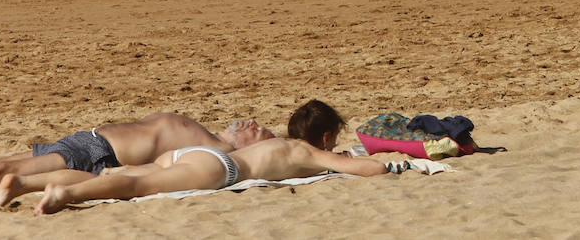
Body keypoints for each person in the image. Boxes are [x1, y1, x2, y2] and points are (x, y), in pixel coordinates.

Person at [30, 106, 393, 214]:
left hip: (190, 156)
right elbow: (369, 168)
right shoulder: (308, 152)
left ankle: (20, 185)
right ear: (327, 137)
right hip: (220, 167)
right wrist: (385, 166)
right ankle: (65, 196)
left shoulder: (278, 142)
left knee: (117, 172)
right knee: (137, 186)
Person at [0, 113, 272, 202]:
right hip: (85, 140)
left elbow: (283, 153)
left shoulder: (214, 150)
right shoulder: (206, 134)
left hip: (97, 154)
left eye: (258, 129)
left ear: (249, 145)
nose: (253, 122)